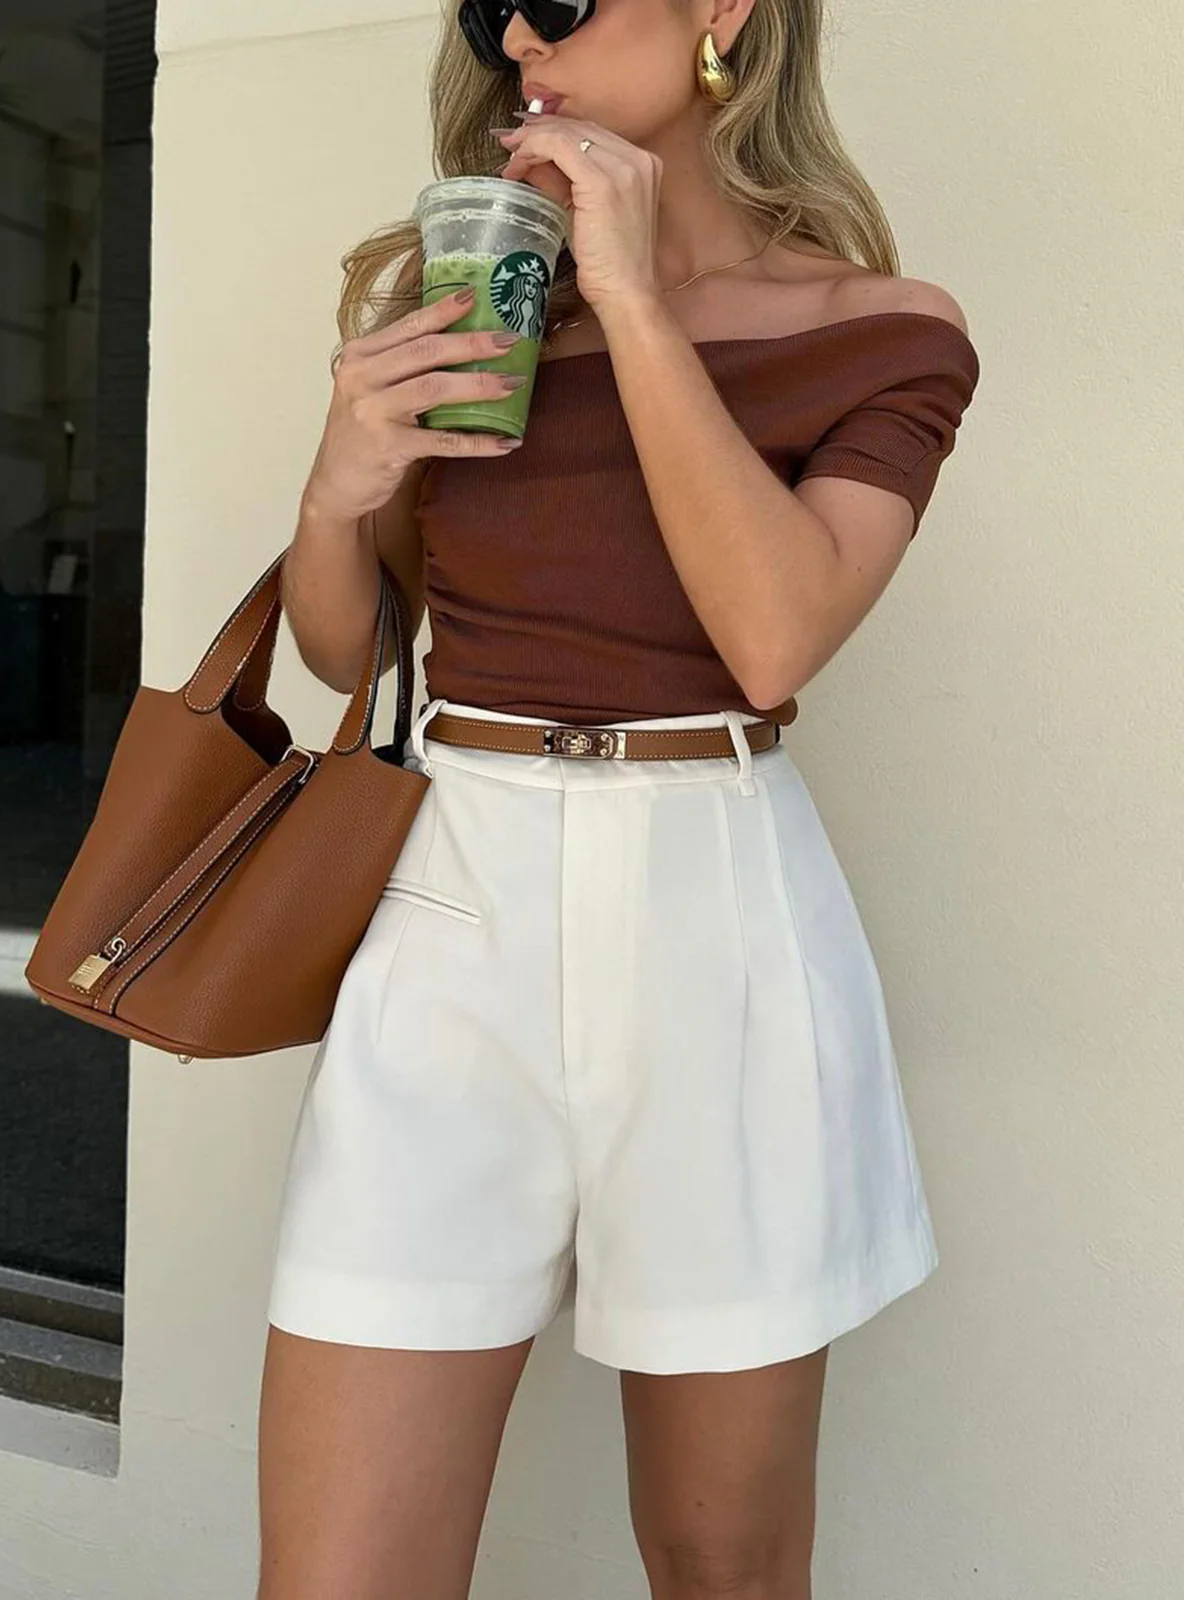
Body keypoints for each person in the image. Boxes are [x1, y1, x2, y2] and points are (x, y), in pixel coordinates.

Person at [256, 0, 980, 1594]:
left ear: (722, 11)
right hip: (455, 903)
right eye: (490, 8)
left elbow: (776, 633)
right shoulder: (466, 296)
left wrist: (635, 301)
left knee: (723, 1563)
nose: (521, 31)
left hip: (717, 919)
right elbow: (351, 651)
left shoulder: (882, 330)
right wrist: (336, 488)